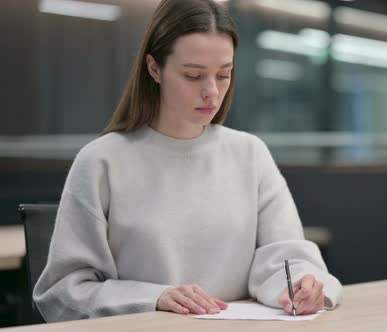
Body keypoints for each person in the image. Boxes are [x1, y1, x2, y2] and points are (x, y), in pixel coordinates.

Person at [33, 0, 342, 322]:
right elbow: (64, 291)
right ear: (154, 69)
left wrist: (303, 287)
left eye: (224, 75)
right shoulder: (102, 161)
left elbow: (286, 259)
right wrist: (155, 297)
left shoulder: (250, 153)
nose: (211, 91)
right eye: (193, 75)